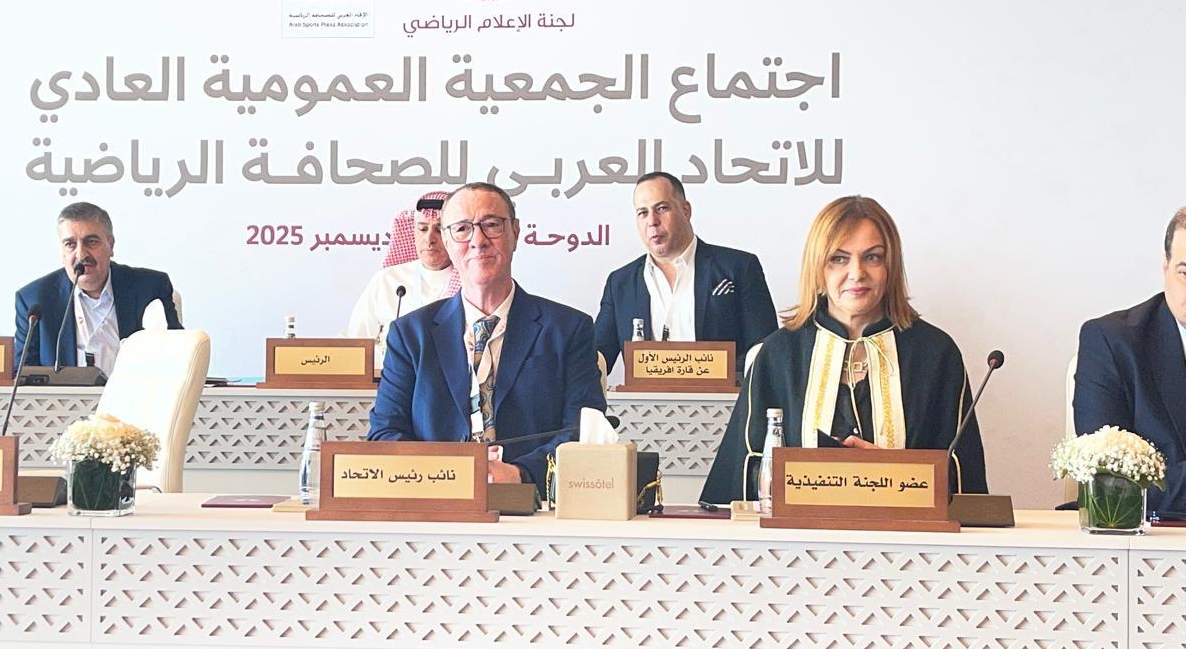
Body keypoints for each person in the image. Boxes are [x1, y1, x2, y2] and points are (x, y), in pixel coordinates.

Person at [701, 196, 986, 503]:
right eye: (838, 258)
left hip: (909, 532)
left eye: (872, 257)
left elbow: (962, 479)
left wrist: (889, 471)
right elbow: (744, 477)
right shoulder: (777, 355)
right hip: (799, 534)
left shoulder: (936, 354)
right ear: (817, 268)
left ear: (890, 266)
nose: (857, 273)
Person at [368, 182, 606, 494]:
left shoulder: (568, 329)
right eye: (462, 229)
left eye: (491, 225)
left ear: (515, 232)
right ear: (447, 242)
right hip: (436, 500)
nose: (478, 241)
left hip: (535, 504)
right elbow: (385, 433)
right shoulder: (410, 334)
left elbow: (584, 431)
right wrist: (449, 473)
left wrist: (520, 474)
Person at [594, 172, 777, 380]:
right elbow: (596, 358)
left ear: (686, 210)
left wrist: (715, 372)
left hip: (726, 399)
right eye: (642, 213)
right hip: (645, 401)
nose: (652, 221)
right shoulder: (620, 283)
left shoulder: (739, 268)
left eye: (661, 208)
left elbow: (766, 350)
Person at [1073, 207, 1186, 516]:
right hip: (1149, 535)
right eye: (1185, 273)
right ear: (1165, 268)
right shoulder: (1111, 343)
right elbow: (1111, 479)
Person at [13, 202, 181, 375]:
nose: (81, 254)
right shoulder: (34, 300)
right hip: (65, 393)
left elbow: (179, 359)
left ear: (111, 245)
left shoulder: (151, 288)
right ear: (62, 252)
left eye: (91, 242)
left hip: (137, 391)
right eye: (70, 244)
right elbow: (23, 374)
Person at [346, 191, 460, 365]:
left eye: (439, 229)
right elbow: (357, 342)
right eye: (422, 229)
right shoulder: (387, 279)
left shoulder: (470, 283)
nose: (429, 239)